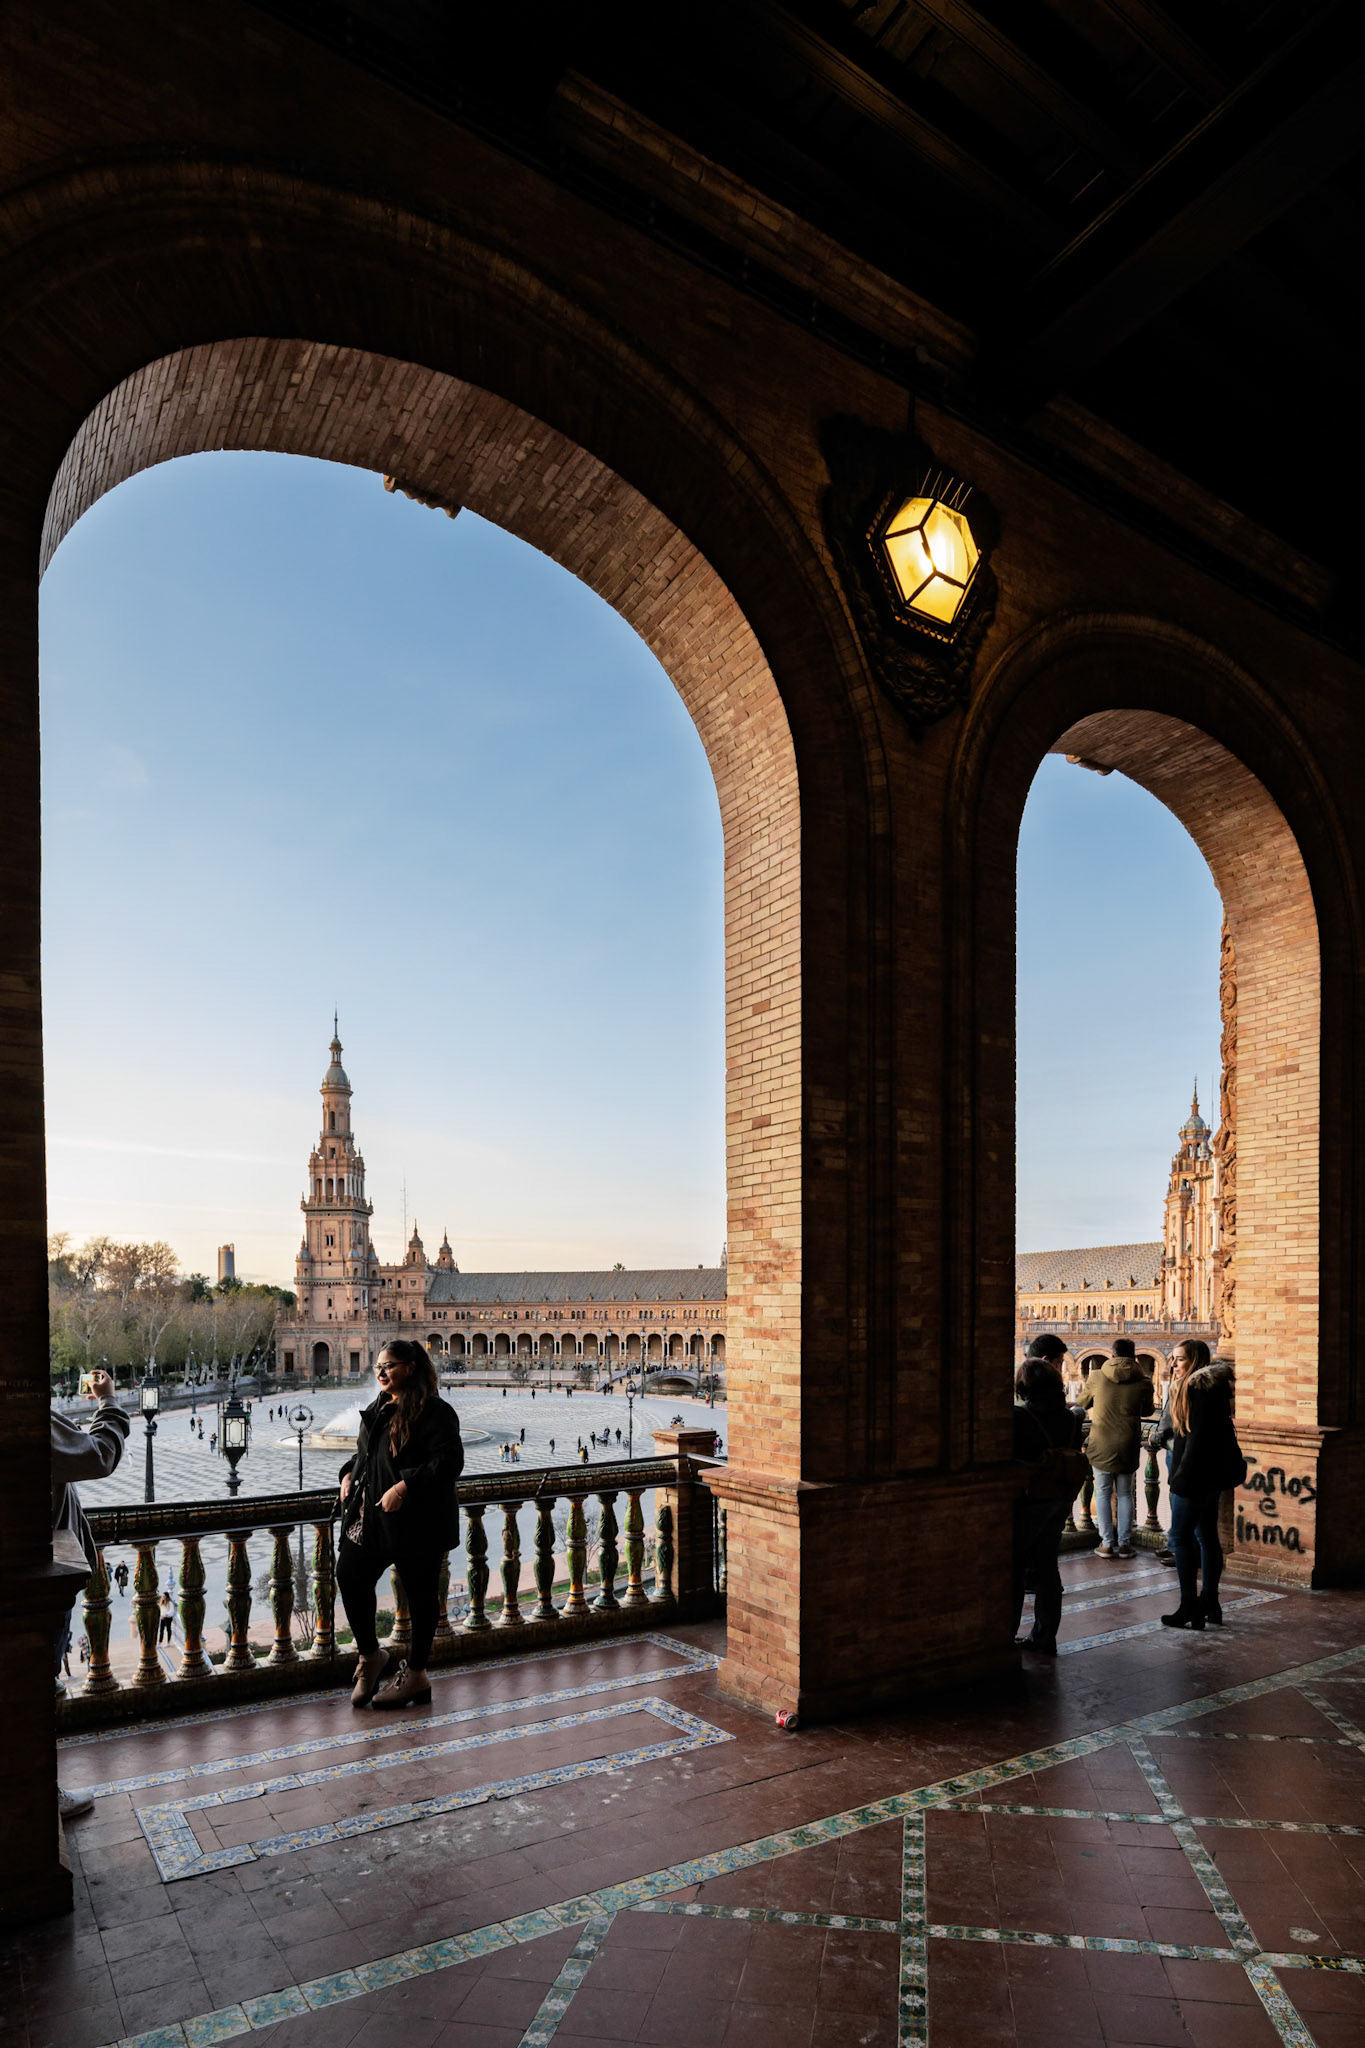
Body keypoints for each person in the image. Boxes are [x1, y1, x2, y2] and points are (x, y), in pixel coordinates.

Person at [337, 1339, 464, 1710]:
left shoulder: (435, 1412)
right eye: (378, 1366)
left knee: (420, 1594)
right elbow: (365, 1455)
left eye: (388, 1365)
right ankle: (371, 1655)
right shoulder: (379, 1407)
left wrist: (405, 1487)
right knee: (349, 1574)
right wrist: (347, 1475)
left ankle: (418, 1675)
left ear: (410, 1367)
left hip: (418, 1519)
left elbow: (449, 1462)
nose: (380, 1372)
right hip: (374, 1517)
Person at [51, 1368, 129, 1816]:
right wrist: (109, 1403)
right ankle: (41, 1790)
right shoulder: (22, 1415)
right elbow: (99, 1455)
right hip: (41, 1576)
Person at [1152, 1343, 1241, 1629]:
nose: (1174, 1365)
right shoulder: (1214, 1388)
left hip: (1193, 1478)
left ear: (1195, 1361)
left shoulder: (1194, 1389)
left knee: (1179, 1539)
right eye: (1173, 1360)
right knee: (1207, 1537)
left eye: (1180, 1360)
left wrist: (1180, 1480)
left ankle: (1189, 1605)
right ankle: (1210, 1603)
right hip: (1212, 1476)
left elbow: (1195, 1439)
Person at [1012, 1357, 1087, 1654]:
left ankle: (1003, 1637)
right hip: (1060, 1498)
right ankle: (1045, 1637)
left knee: (1015, 1570)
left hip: (1030, 1500)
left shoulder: (1020, 1418)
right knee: (1047, 1568)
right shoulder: (1070, 1418)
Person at [1077, 1338, 1153, 1559]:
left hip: (1101, 1443)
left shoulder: (1097, 1376)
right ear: (1134, 1357)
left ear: (1112, 1355)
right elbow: (1147, 1411)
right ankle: (1126, 1544)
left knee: (1102, 1492)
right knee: (1125, 1494)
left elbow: (1082, 1403)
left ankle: (1107, 1543)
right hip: (1128, 1443)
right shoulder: (1144, 1381)